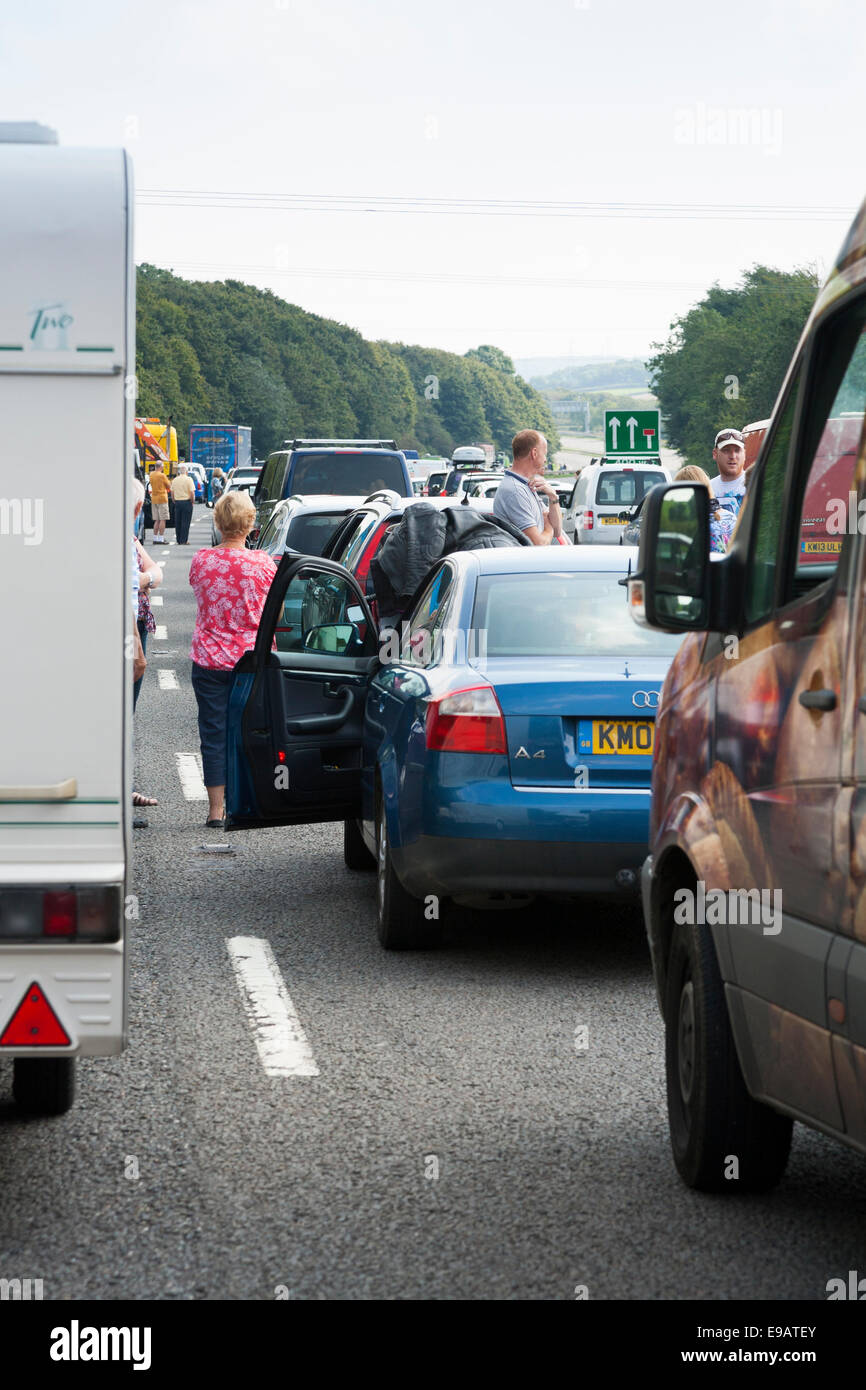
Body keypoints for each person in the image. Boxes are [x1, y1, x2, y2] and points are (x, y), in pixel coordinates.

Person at [188, 491, 278, 828]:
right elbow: (275, 612)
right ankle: (247, 803)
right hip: (251, 661)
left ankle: (215, 810)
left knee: (213, 733)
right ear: (251, 523)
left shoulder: (202, 560)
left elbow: (201, 595)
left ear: (218, 522)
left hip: (209, 658)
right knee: (250, 731)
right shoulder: (263, 564)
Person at [492, 429, 564, 545]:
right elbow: (538, 544)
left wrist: (553, 497)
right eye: (545, 453)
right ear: (534, 453)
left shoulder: (525, 485)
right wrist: (548, 527)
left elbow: (557, 530)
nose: (545, 459)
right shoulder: (516, 491)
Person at [171, 463, 195, 544]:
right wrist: (192, 501)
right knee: (186, 522)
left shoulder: (175, 480)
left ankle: (178, 539)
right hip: (186, 502)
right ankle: (184, 540)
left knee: (178, 522)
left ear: (179, 472)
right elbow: (192, 492)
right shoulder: (189, 479)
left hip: (177, 502)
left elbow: (172, 492)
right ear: (186, 472)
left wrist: (174, 500)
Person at [149, 462, 172, 544]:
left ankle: (155, 538)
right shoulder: (162, 475)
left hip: (154, 498)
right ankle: (161, 538)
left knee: (156, 520)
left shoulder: (151, 475)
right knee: (163, 519)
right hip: (162, 498)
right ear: (161, 467)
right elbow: (168, 486)